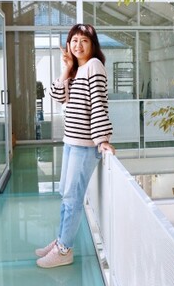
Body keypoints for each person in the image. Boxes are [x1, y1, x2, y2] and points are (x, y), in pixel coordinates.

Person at [36, 23, 115, 268]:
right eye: (74, 41)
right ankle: (61, 240)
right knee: (65, 194)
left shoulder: (94, 66)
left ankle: (64, 250)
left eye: (84, 41)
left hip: (85, 145)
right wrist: (67, 68)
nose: (78, 45)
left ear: (93, 45)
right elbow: (56, 95)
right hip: (71, 141)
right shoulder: (77, 70)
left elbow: (99, 104)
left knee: (72, 197)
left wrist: (102, 140)